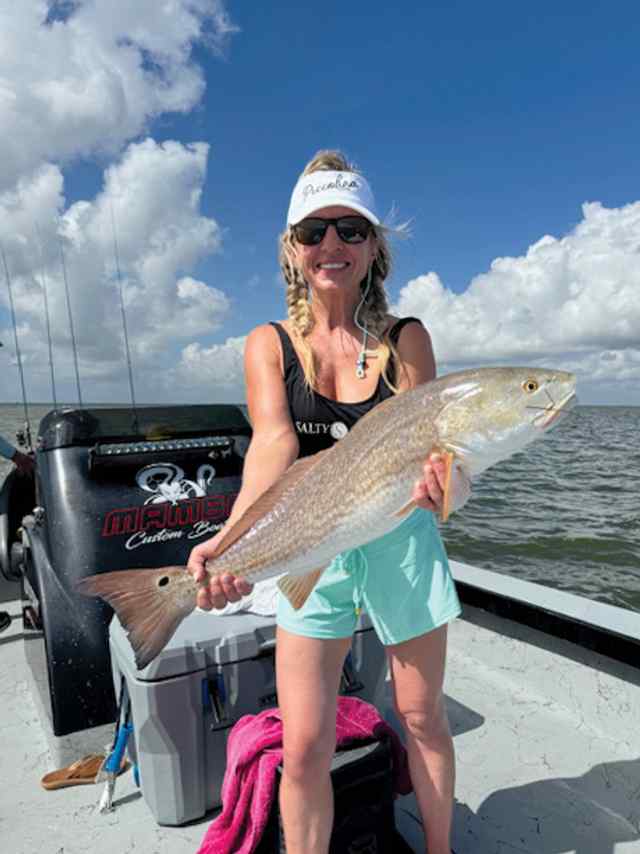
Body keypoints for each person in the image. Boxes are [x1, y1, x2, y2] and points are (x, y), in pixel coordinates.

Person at [188, 150, 468, 854]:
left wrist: (451, 491)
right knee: (306, 742)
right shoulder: (269, 344)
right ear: (293, 248)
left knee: (423, 717)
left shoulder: (407, 340)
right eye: (314, 231)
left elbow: (441, 455)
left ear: (375, 247)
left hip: (401, 536)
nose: (332, 245)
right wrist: (228, 541)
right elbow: (271, 448)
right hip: (315, 543)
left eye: (351, 228)